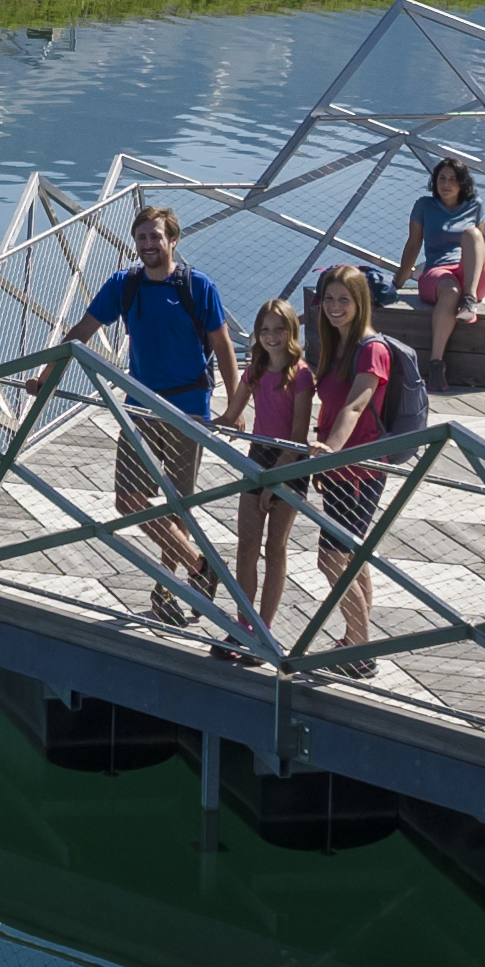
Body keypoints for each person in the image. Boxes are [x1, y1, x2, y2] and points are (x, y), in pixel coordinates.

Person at [70, 202, 242, 626]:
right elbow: (80, 334)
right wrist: (44, 373)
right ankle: (200, 566)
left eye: (156, 237)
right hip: (140, 406)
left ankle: (166, 592)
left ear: (173, 240)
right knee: (127, 500)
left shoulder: (197, 287)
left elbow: (223, 349)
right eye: (142, 237)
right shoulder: (123, 286)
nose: (148, 244)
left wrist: (235, 408)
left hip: (188, 410)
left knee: (179, 506)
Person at [300, 266, 409, 672]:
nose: (334, 307)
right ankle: (354, 640)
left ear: (361, 302)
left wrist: (330, 450)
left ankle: (360, 652)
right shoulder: (339, 344)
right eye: (328, 299)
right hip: (340, 470)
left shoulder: (370, 349)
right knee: (351, 557)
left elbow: (356, 404)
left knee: (330, 559)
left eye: (344, 299)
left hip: (358, 470)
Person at [230, 300, 317, 648]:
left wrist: (272, 484)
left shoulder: (301, 374)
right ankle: (243, 624)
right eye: (264, 330)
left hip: (290, 464)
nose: (271, 337)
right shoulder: (255, 368)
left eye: (278, 329)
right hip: (258, 456)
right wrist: (198, 421)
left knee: (275, 546)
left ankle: (264, 628)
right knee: (246, 545)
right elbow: (231, 414)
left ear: (292, 331)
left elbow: (297, 440)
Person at [397, 155, 485, 386]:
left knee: (472, 234)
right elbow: (413, 244)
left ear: (462, 184)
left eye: (452, 179)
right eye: (441, 178)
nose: (446, 184)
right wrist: (397, 282)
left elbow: (478, 245)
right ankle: (436, 364)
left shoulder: (475, 205)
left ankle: (469, 300)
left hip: (471, 275)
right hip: (438, 273)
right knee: (450, 291)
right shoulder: (424, 205)